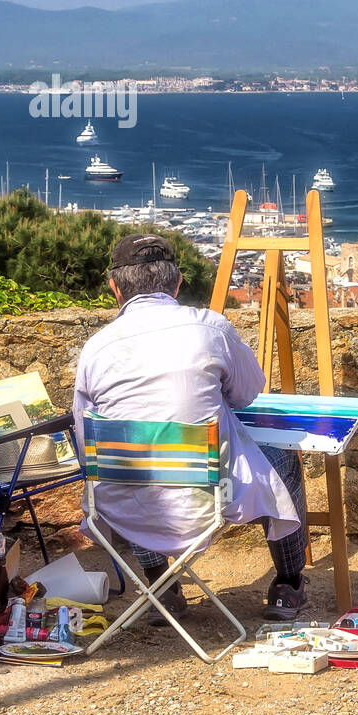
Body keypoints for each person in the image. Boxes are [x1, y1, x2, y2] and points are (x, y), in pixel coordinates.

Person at [72, 233, 308, 621]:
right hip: (211, 493)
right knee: (283, 460)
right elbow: (248, 393)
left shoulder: (96, 348)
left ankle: (160, 586)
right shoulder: (210, 328)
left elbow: (85, 440)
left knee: (132, 473)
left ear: (115, 287)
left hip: (122, 499)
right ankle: (289, 582)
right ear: (178, 282)